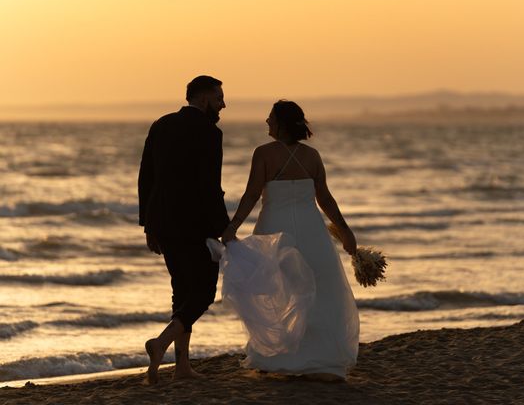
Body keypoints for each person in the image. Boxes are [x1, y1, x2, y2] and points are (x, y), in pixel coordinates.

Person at [221, 100, 359, 380]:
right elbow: (326, 199)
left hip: (275, 230)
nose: (266, 121)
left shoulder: (263, 154)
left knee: (275, 291)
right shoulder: (312, 156)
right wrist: (345, 231)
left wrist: (232, 226)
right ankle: (321, 358)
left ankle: (277, 357)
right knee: (319, 290)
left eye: (271, 117)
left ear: (281, 123)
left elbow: (251, 195)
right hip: (312, 231)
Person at [138, 75, 229, 384]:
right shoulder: (209, 133)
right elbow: (209, 186)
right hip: (195, 224)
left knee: (182, 291)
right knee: (203, 293)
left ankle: (182, 367)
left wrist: (148, 224)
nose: (222, 105)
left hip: (162, 221)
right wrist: (224, 228)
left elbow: (146, 178)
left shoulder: (160, 125)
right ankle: (160, 343)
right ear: (203, 100)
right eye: (218, 99)